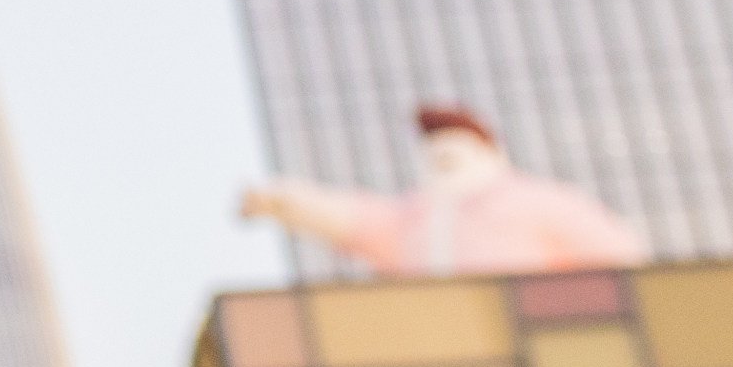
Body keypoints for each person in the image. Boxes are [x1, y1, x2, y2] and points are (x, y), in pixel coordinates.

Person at [239, 104, 646, 278]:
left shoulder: (538, 201)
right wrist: (283, 200)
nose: (444, 161)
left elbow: (620, 255)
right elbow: (348, 215)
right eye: (435, 153)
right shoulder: (412, 218)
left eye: (454, 150)